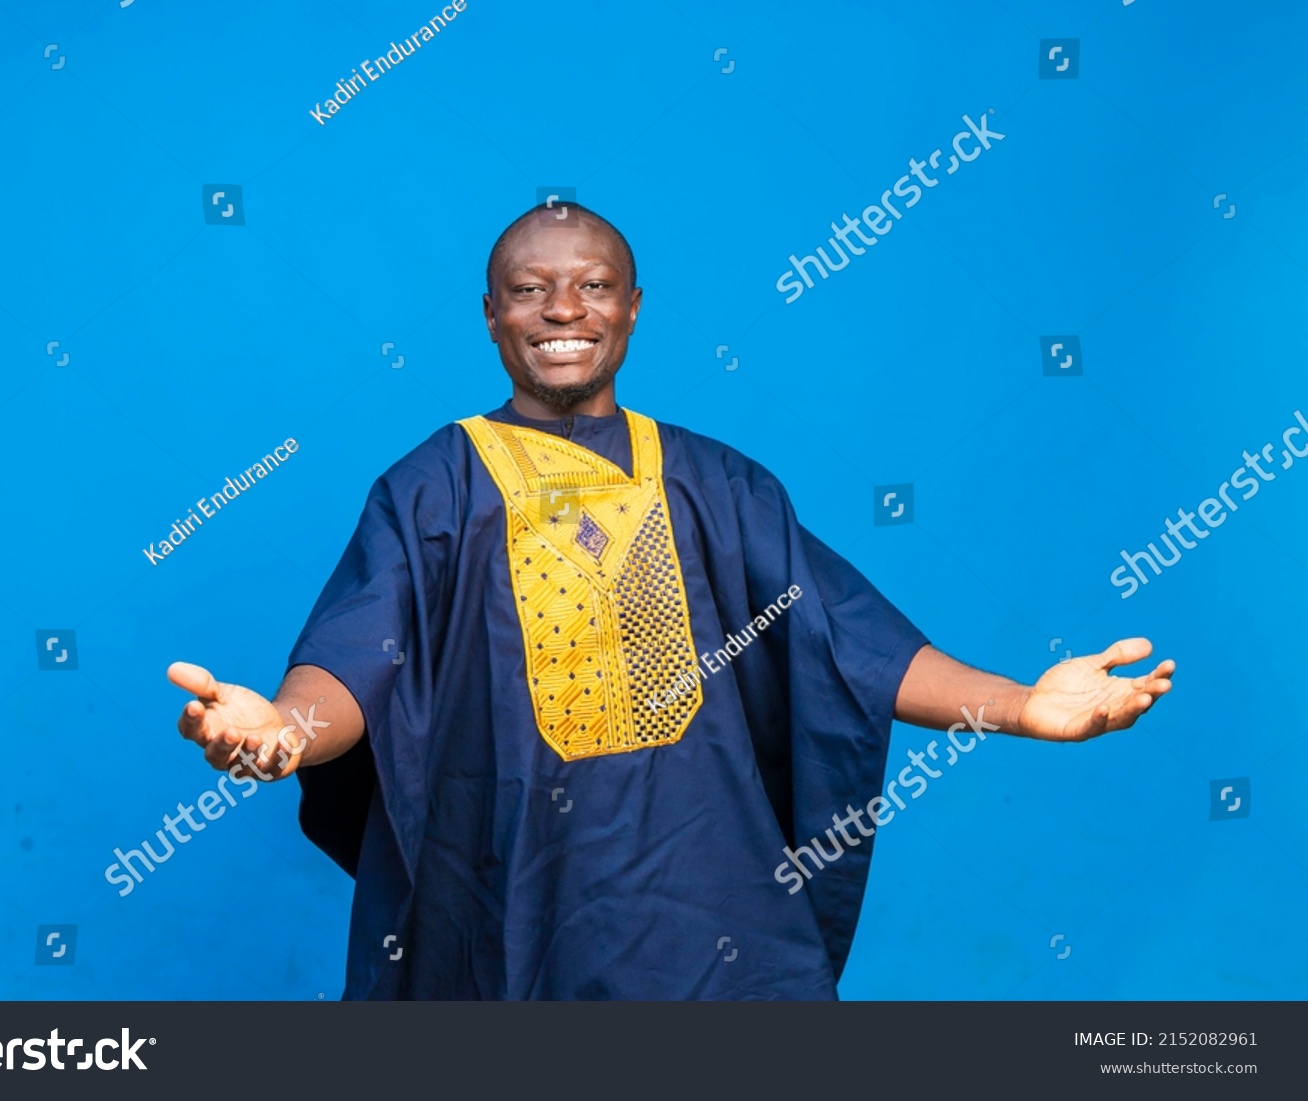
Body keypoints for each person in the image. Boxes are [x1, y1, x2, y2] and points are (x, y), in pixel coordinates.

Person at [167, 202, 1174, 1000]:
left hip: (704, 914)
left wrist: (1020, 706)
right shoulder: (433, 488)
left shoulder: (718, 487)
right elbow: (357, 659)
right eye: (531, 289)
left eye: (593, 286)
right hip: (504, 898)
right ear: (490, 313)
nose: (564, 310)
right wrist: (284, 731)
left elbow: (849, 640)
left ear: (635, 306)